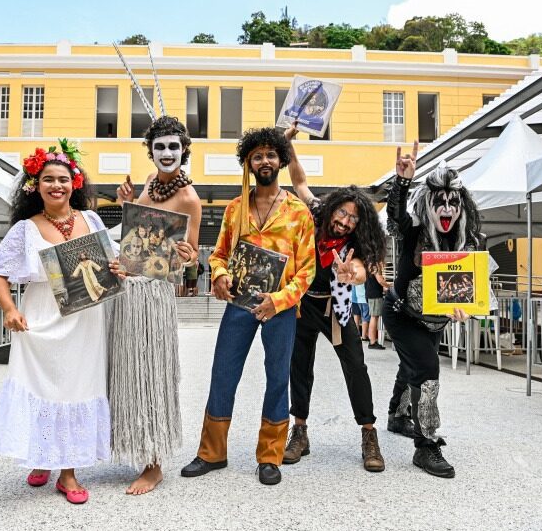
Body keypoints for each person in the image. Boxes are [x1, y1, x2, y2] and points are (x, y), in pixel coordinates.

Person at [181, 126, 315, 486]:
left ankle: (269, 456)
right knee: (223, 373)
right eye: (257, 155)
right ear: (248, 162)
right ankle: (211, 453)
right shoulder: (235, 208)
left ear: (281, 161)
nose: (265, 160)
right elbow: (220, 253)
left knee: (277, 379)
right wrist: (220, 274)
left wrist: (279, 300)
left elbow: (307, 270)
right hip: (239, 304)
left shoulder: (298, 212)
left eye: (271, 154)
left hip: (280, 308)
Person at [0, 139, 120, 504]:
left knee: (77, 389)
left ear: (73, 183)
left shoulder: (91, 219)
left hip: (85, 321)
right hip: (41, 319)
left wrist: (115, 267)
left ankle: (69, 473)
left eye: (63, 179)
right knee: (44, 389)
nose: (56, 186)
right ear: (36, 185)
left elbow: (112, 261)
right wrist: (10, 310)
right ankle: (43, 456)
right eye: (48, 179)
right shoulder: (24, 229)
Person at [282, 124, 387, 472]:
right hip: (303, 304)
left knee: (356, 365)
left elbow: (358, 269)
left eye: (353, 219)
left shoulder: (356, 244)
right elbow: (299, 182)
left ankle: (369, 433)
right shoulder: (314, 213)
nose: (345, 221)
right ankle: (299, 431)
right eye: (343, 213)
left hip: (335, 306)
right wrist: (288, 146)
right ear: (332, 210)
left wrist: (350, 274)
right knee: (299, 367)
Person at [112, 115, 202, 495]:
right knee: (127, 371)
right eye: (160, 147)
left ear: (184, 151)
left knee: (151, 373)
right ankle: (134, 445)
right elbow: (135, 236)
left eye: (173, 147)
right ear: (151, 152)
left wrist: (186, 255)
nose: (167, 153)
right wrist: (127, 204)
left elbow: (192, 258)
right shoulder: (147, 183)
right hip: (127, 288)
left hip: (155, 295)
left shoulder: (190, 198)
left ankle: (154, 464)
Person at [383, 143, 482, 478]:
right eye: (439, 201)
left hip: (435, 321)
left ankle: (397, 416)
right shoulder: (414, 229)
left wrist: (468, 307)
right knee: (426, 369)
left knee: (410, 364)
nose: (446, 208)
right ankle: (426, 446)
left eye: (452, 202)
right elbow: (394, 217)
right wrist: (402, 181)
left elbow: (473, 288)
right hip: (401, 313)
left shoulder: (468, 239)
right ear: (428, 202)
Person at [366, 266, 389, 350]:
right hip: (375, 294)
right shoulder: (375, 265)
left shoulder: (370, 264)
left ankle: (372, 340)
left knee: (374, 317)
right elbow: (380, 280)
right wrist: (390, 286)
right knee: (374, 317)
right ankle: (372, 342)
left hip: (371, 293)